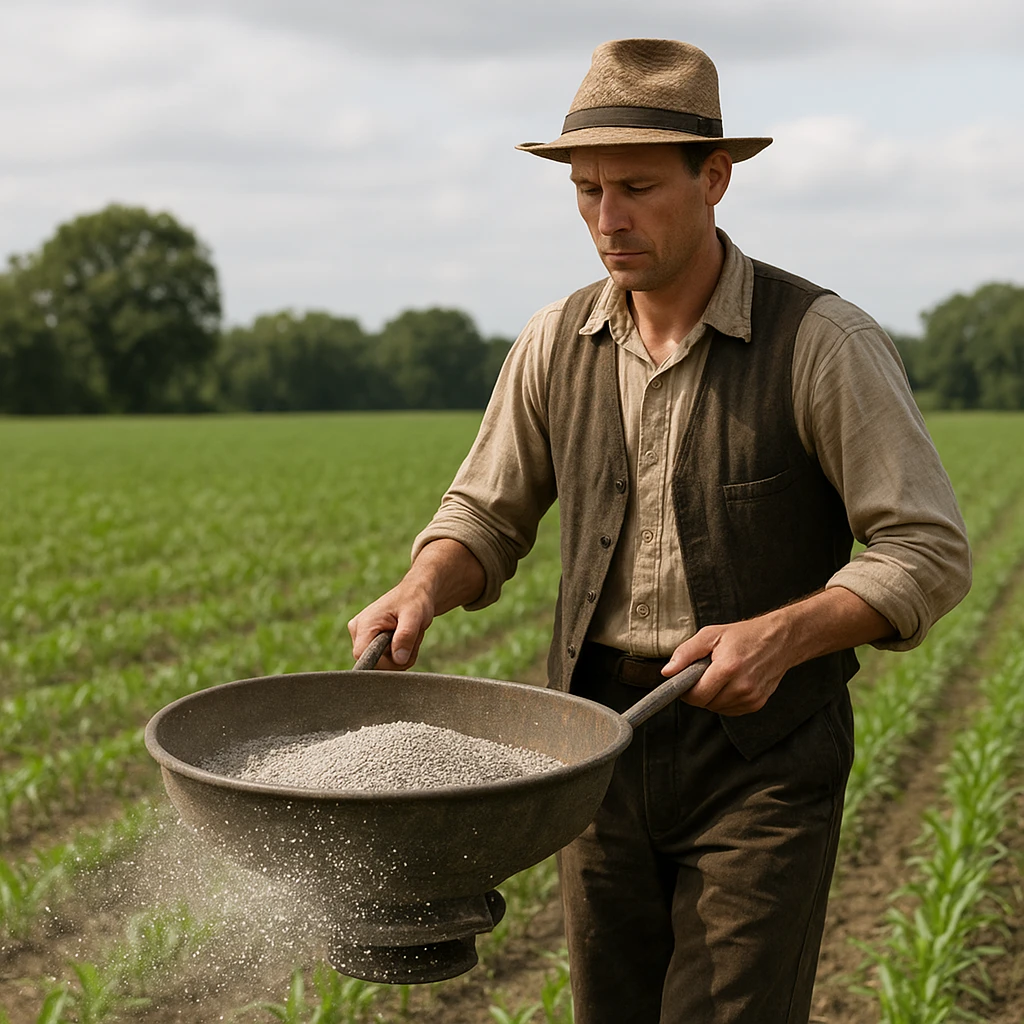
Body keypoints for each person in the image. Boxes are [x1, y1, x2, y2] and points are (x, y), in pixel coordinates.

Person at [349, 38, 972, 1024]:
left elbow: (926, 548)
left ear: (715, 177)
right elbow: (484, 509)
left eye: (636, 186)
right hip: (593, 743)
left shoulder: (819, 341)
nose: (608, 218)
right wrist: (424, 583)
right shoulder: (558, 340)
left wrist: (781, 634)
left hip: (758, 759)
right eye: (587, 190)